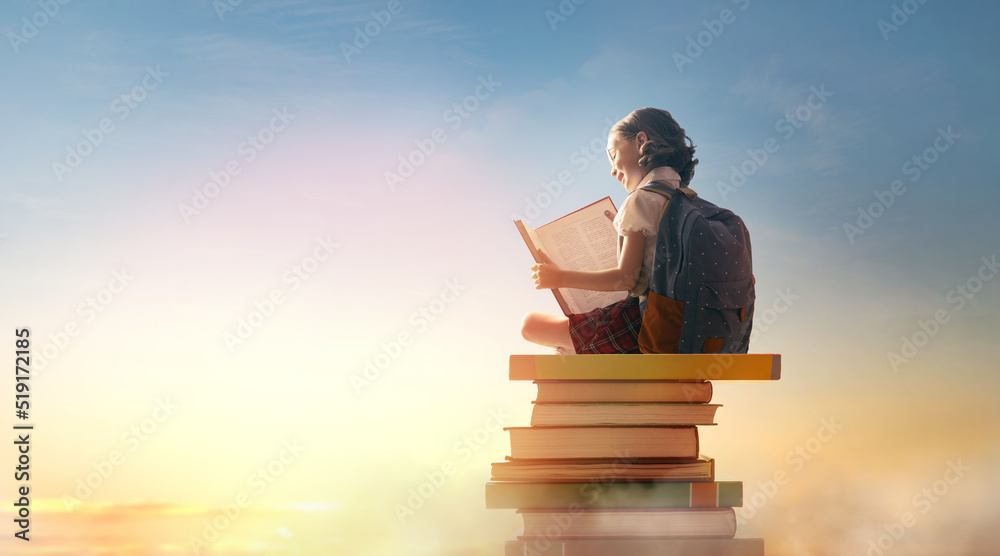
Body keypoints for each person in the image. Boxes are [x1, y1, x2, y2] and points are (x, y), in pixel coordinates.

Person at [520, 107, 699, 354]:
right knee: (566, 347)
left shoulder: (641, 200)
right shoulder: (687, 201)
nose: (612, 170)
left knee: (531, 325)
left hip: (644, 327)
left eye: (613, 155)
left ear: (640, 141)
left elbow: (625, 278)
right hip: (689, 328)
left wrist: (559, 277)